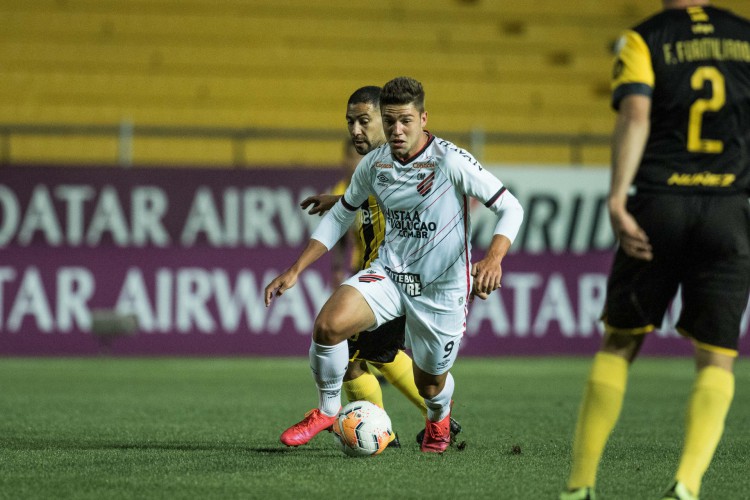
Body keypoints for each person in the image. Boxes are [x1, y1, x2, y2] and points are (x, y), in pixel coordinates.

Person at [265, 76, 523, 453]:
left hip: (441, 289)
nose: (397, 130)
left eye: (405, 120)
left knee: (430, 384)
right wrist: (295, 269)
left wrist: (494, 258)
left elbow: (510, 207)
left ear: (423, 118)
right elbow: (341, 214)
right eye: (389, 122)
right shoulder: (375, 164)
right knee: (328, 326)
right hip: (390, 274)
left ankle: (439, 417)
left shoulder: (450, 160)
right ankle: (327, 411)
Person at [560, 2, 750, 499]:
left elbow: (636, 114)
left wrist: (618, 197)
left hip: (660, 205)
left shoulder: (645, 38)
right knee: (717, 357)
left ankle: (581, 486)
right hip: (728, 210)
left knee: (620, 343)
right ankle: (687, 484)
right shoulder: (744, 36)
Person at [300, 86, 462, 448]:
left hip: (395, 277)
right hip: (380, 276)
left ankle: (383, 428)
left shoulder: (400, 162)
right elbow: (358, 203)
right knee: (377, 356)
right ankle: (424, 418)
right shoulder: (366, 174)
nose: (356, 131)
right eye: (350, 123)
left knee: (352, 358)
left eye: (364, 121)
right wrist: (340, 201)